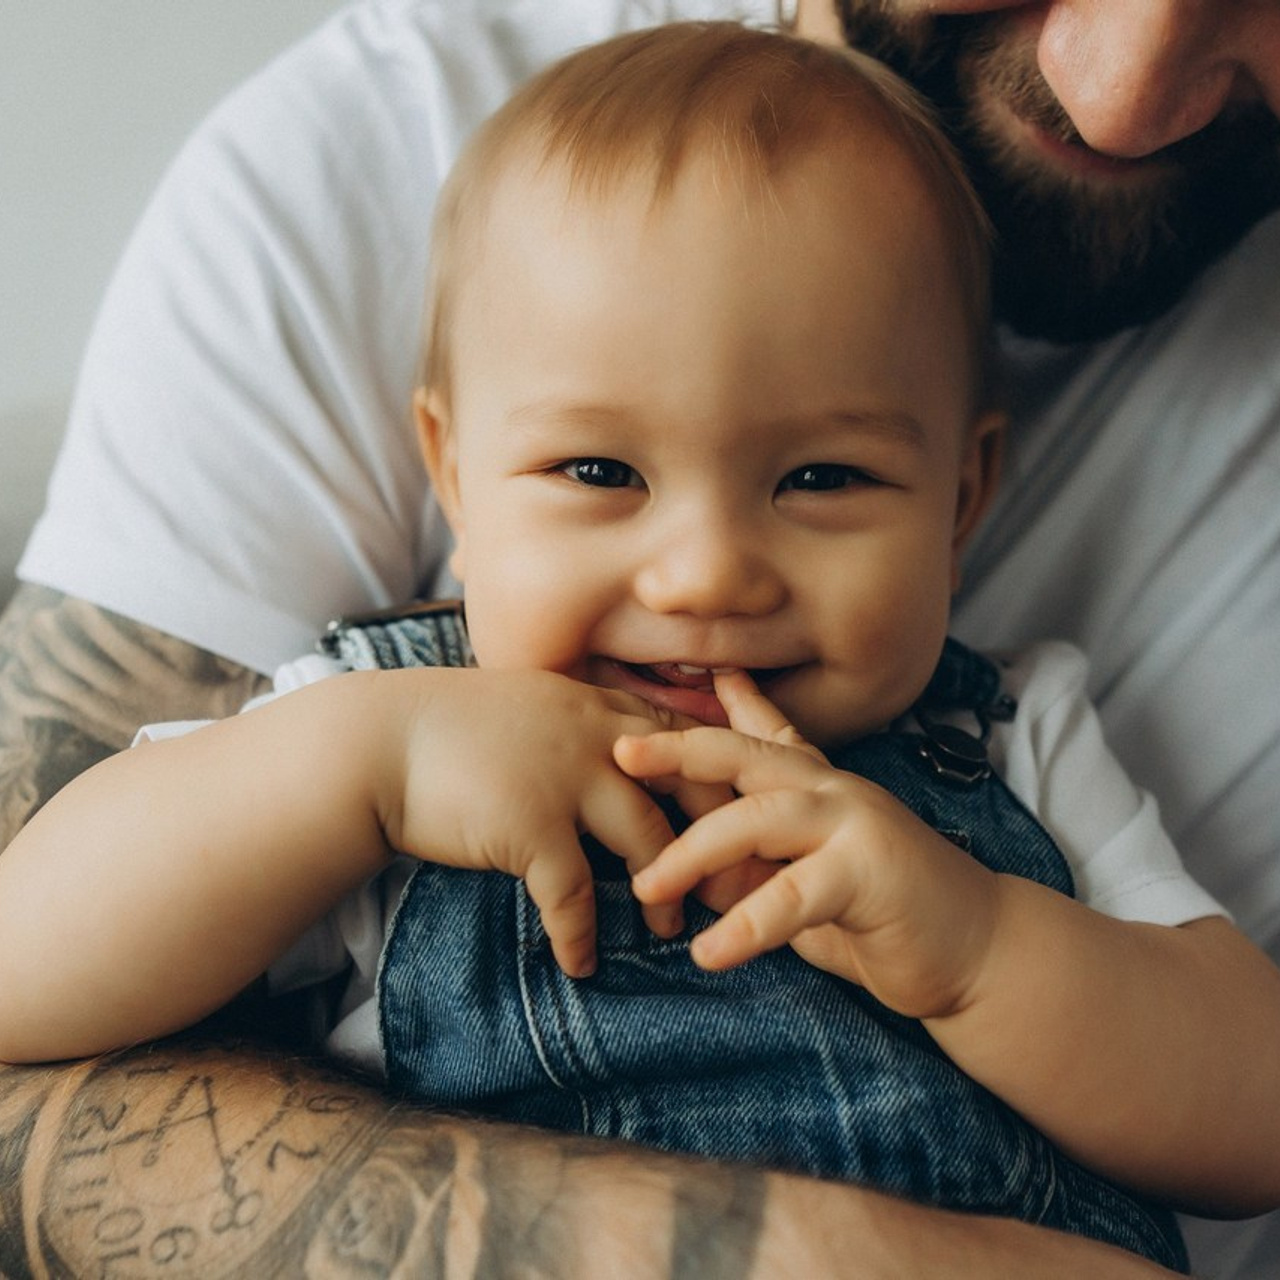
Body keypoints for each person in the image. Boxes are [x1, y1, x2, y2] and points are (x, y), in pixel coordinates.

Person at [1, 0, 1277, 1275]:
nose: (706, 570)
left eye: (823, 478)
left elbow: (1249, 1120)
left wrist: (983, 950)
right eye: (599, 467)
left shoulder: (1006, 732)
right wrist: (352, 773)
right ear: (451, 472)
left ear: (960, 496)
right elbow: (23, 972)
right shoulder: (377, 729)